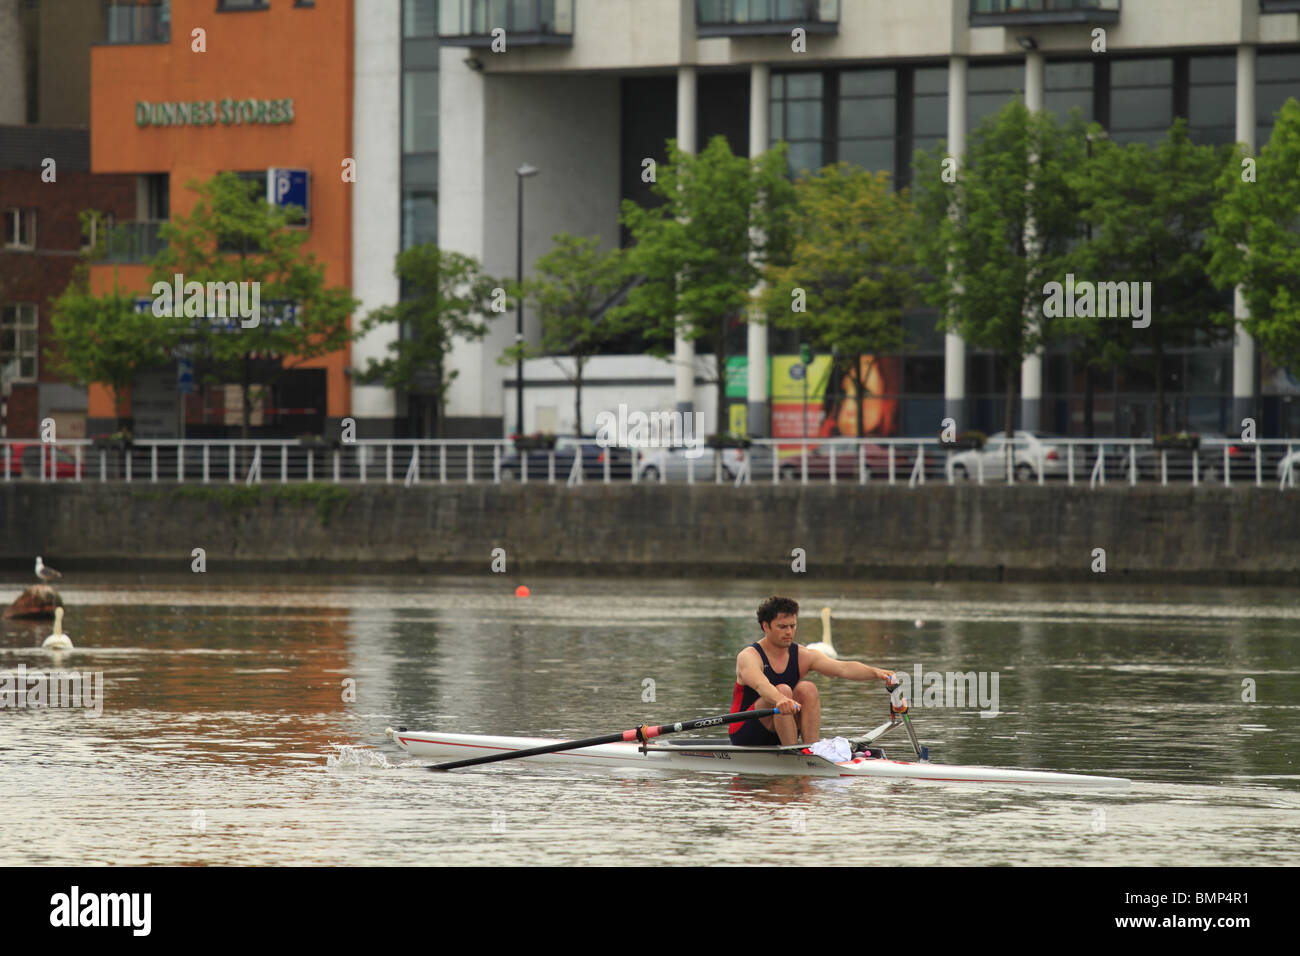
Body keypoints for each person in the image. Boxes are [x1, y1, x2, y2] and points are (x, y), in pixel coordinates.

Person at [729, 596, 895, 747]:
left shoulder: (802, 655)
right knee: (784, 690)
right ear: (766, 626)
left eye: (792, 626)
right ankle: (792, 754)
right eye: (782, 627)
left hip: (784, 726)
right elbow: (760, 684)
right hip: (746, 732)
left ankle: (811, 749)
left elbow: (842, 668)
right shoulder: (749, 656)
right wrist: (780, 699)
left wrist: (876, 673)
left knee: (808, 688)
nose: (789, 632)